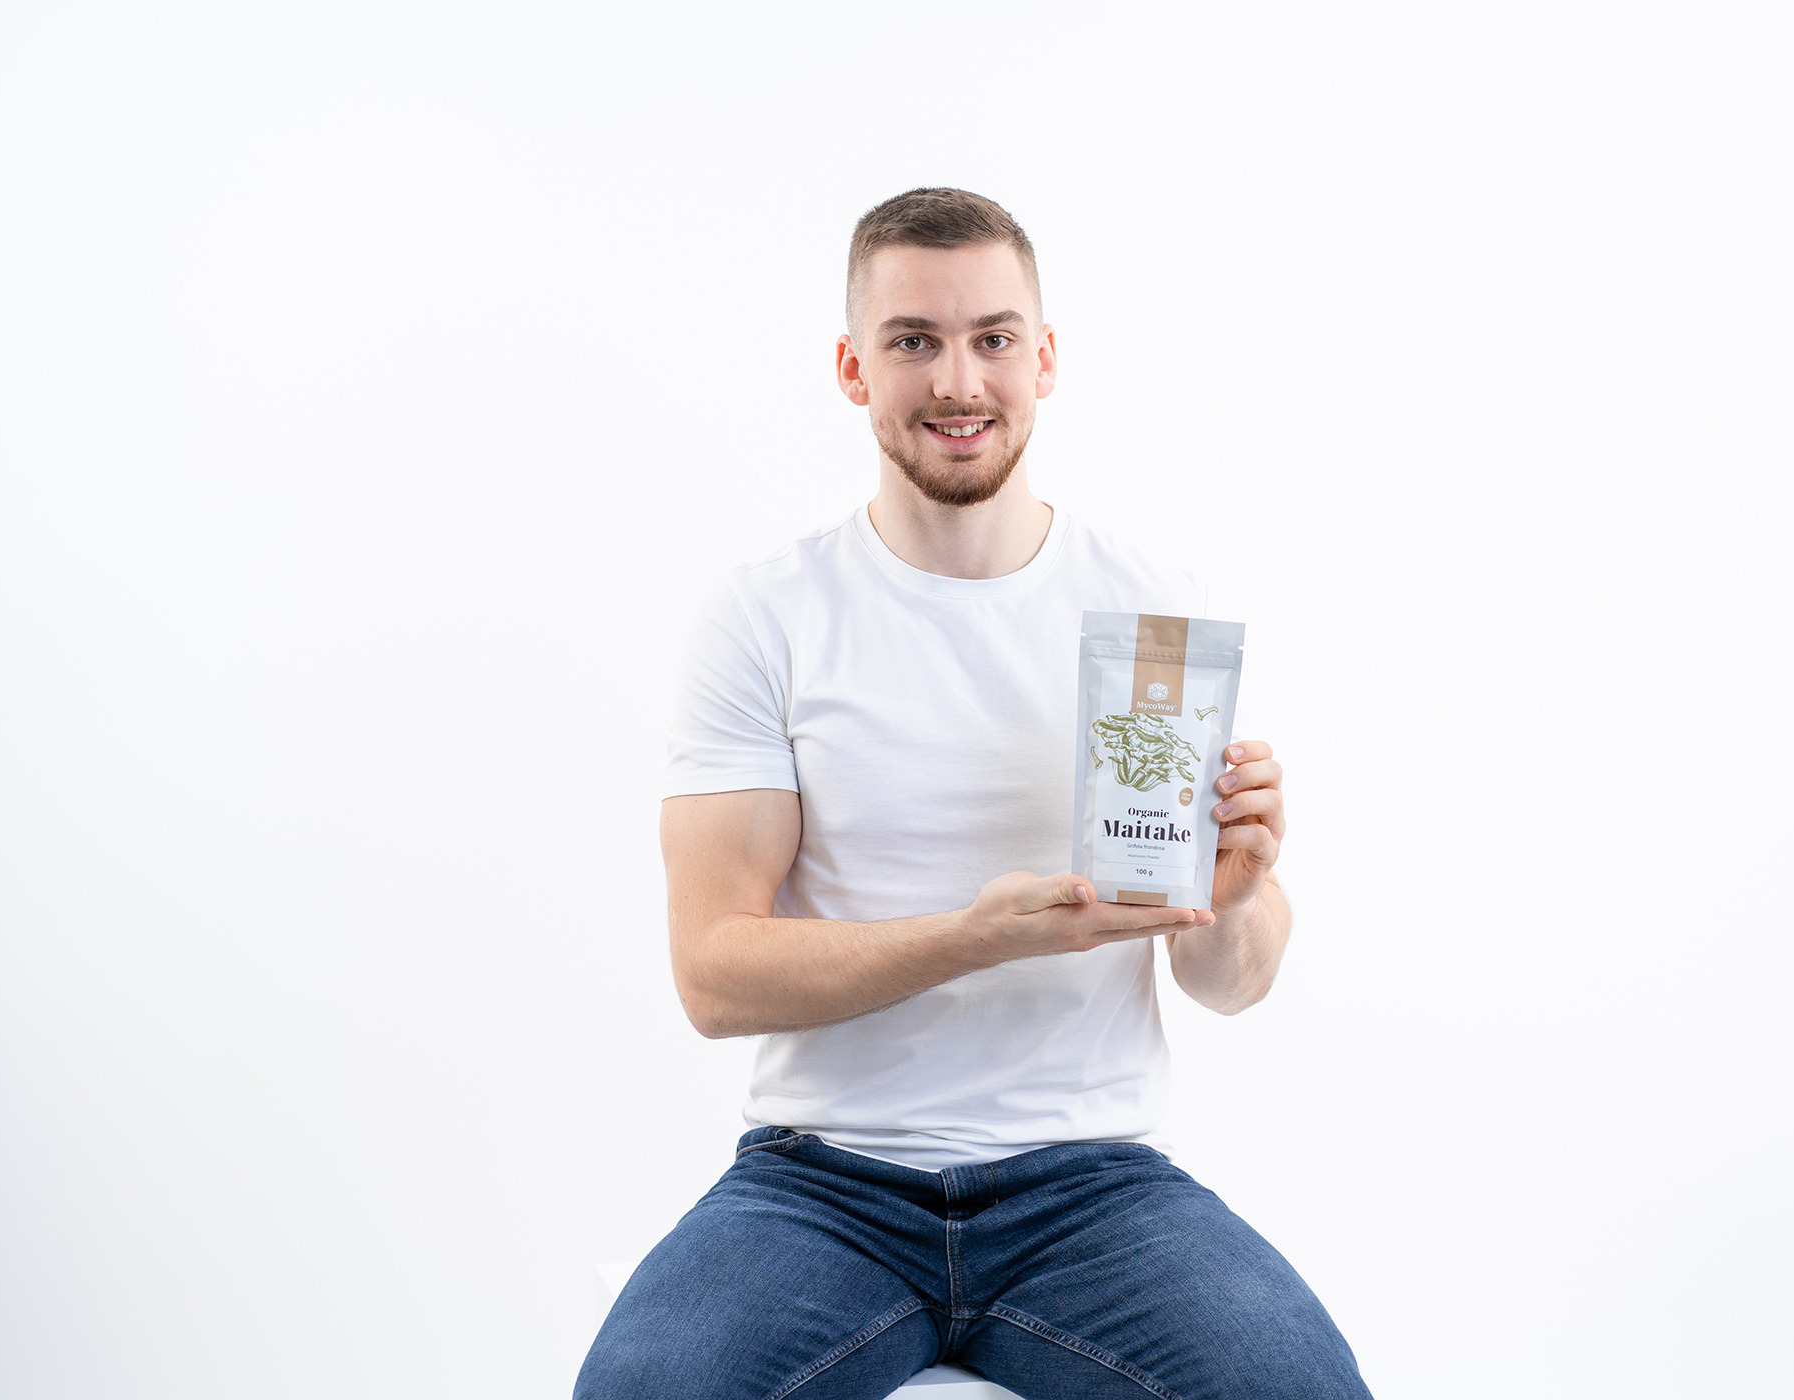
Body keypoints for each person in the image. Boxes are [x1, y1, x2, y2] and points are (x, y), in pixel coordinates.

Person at [575, 189, 1371, 1400]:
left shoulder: (1151, 609)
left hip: (1092, 1185)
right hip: (823, 1183)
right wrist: (974, 936)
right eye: (914, 340)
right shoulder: (768, 616)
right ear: (853, 366)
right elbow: (714, 975)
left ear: (1043, 359)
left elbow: (1226, 979)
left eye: (993, 337)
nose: (958, 380)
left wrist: (1241, 889)